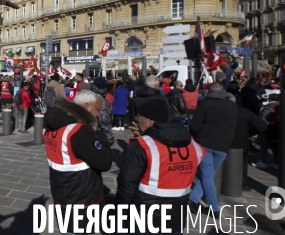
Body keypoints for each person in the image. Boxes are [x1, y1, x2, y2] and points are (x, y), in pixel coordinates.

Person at [117, 97, 205, 233]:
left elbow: (127, 184)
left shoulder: (142, 145)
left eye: (138, 116)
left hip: (147, 216)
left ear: (147, 119)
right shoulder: (193, 145)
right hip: (177, 215)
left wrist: (122, 212)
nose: (136, 120)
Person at [43, 90, 112, 232]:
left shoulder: (51, 125)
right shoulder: (79, 131)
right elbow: (105, 162)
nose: (99, 114)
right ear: (87, 106)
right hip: (82, 199)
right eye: (98, 109)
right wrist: (99, 135)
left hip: (61, 193)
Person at [189, 82, 238, 215]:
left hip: (205, 143)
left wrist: (197, 136)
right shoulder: (232, 106)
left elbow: (194, 125)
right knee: (207, 174)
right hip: (223, 144)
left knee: (207, 175)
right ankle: (192, 199)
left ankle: (213, 207)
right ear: (223, 91)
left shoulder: (204, 105)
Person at [230, 103, 267, 190]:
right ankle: (242, 184)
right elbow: (262, 126)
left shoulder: (221, 111)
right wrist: (250, 132)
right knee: (242, 164)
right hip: (241, 141)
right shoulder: (245, 112)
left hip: (224, 142)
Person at [89, 77, 115, 145]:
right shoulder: (100, 100)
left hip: (88, 130)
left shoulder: (88, 95)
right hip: (98, 132)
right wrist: (109, 137)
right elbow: (103, 120)